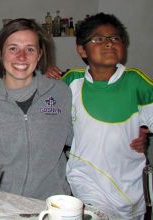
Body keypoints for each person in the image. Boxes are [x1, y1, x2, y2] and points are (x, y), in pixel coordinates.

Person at [0, 18, 73, 200]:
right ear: (0, 53)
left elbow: (81, 138)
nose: (21, 56)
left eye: (30, 49)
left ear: (39, 55)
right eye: (13, 48)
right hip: (4, 201)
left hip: (54, 200)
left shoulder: (61, 92)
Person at [61, 13, 153, 219]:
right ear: (81, 49)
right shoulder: (71, 80)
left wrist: (143, 130)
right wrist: (46, 75)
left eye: (115, 38)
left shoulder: (136, 81)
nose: (109, 44)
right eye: (98, 39)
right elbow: (43, 106)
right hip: (87, 179)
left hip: (132, 185)